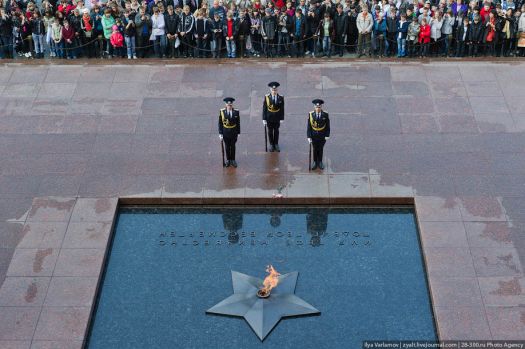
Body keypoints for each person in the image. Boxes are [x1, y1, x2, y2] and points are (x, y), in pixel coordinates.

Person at [307, 99, 330, 171]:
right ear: (314, 107)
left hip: (322, 135)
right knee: (314, 148)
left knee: (320, 148)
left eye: (319, 107)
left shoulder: (325, 114)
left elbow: (328, 125)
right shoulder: (311, 114)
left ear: (321, 107)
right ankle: (314, 161)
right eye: (316, 107)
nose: (318, 108)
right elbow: (309, 126)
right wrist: (309, 136)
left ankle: (320, 161)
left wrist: (327, 135)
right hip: (314, 135)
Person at [262, 82, 285, 153]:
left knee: (276, 130)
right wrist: (264, 118)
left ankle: (276, 144)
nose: (274, 91)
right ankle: (271, 144)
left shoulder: (281, 97)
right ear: (270, 90)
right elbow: (264, 108)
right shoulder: (267, 97)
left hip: (277, 117)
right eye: (272, 90)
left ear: (277, 90)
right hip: (269, 117)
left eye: (275, 90)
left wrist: (282, 118)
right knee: (270, 131)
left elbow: (282, 108)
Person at [218, 97, 241, 168]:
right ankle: (228, 160)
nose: (229, 106)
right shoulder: (222, 112)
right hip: (225, 132)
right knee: (227, 147)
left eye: (230, 105)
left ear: (232, 105)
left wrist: (238, 132)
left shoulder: (236, 112)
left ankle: (233, 160)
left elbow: (238, 123)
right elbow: (220, 123)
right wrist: (220, 133)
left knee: (233, 146)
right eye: (228, 105)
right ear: (225, 105)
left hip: (233, 132)